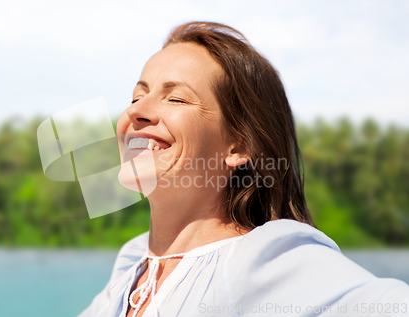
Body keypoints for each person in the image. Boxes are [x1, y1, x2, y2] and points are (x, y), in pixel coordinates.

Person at [78, 21, 409, 317]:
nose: (137, 112)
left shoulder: (260, 259)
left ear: (238, 146)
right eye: (137, 97)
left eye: (176, 99)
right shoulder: (134, 264)